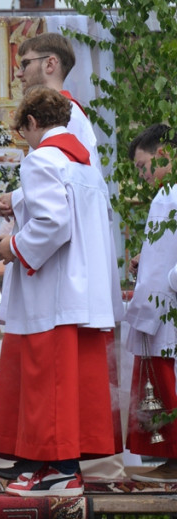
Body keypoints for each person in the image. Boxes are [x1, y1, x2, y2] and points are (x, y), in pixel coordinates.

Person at [0, 32, 120, 480]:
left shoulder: (56, 139)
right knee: (49, 372)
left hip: (56, 274)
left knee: (51, 371)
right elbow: (76, 191)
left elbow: (58, 212)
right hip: (69, 273)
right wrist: (20, 199)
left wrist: (15, 246)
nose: (19, 70)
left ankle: (56, 462)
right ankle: (36, 456)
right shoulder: (70, 145)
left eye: (25, 61)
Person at [124, 124, 177, 483]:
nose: (143, 177)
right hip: (166, 304)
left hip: (165, 311)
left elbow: (164, 271)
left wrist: (147, 306)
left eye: (143, 167)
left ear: (162, 155)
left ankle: (173, 459)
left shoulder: (167, 197)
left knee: (164, 387)